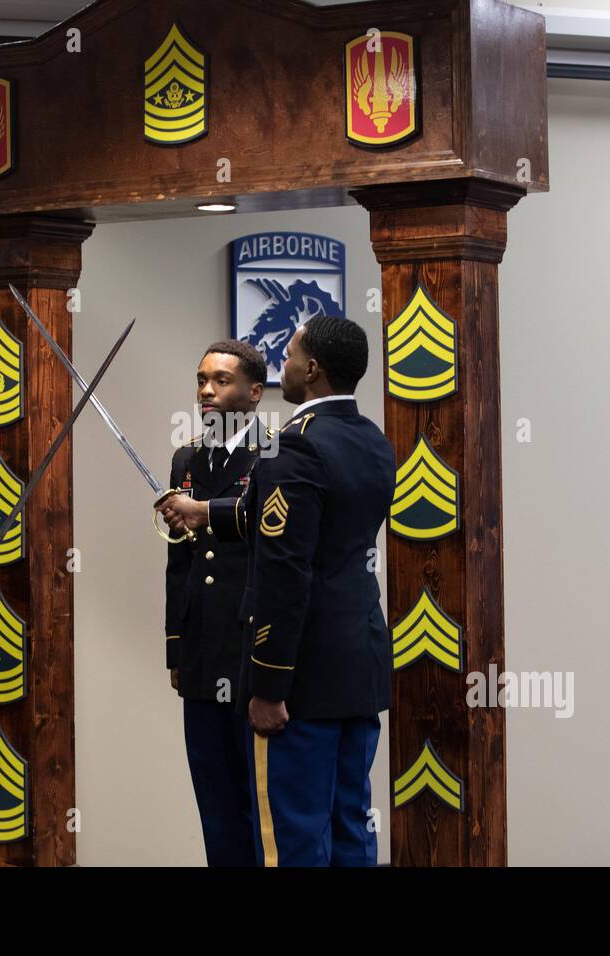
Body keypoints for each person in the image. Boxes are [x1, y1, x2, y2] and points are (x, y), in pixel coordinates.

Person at [160, 316, 395, 867]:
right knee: (350, 828)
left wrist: (266, 683)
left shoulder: (291, 447)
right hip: (357, 663)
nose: (283, 366)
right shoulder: (372, 440)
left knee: (290, 837)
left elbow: (284, 570)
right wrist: (206, 513)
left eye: (289, 356)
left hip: (299, 671)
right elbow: (282, 522)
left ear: (310, 369)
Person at [165, 340, 269, 866]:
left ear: (254, 392)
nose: (207, 390)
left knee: (258, 802)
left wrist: (204, 509)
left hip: (253, 649)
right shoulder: (187, 457)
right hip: (203, 651)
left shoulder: (276, 451)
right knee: (214, 796)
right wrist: (175, 648)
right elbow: (179, 564)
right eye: (202, 379)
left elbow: (272, 533)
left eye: (221, 381)